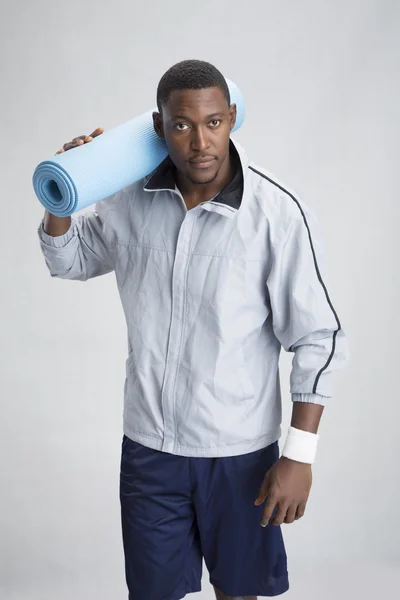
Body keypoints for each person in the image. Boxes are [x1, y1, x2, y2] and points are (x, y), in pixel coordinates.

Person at [38, 59, 349, 599]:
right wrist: (64, 194)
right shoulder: (128, 198)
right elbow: (68, 260)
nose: (200, 142)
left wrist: (299, 454)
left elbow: (318, 338)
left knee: (239, 592)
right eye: (182, 125)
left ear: (232, 118)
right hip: (149, 450)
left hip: (239, 453)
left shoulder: (275, 213)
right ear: (159, 128)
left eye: (213, 122)